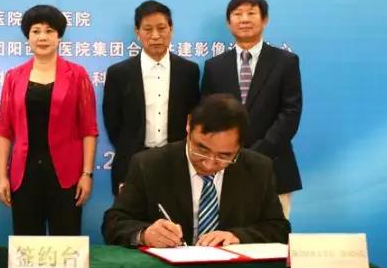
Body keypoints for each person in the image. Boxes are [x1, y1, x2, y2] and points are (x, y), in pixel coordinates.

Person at [102, 94, 289, 247]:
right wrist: (144, 234)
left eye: (224, 156)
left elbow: (279, 229)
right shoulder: (149, 165)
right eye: (201, 149)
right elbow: (113, 223)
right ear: (189, 125)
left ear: (240, 147)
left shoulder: (258, 168)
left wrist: (237, 236)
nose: (209, 164)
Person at [0, 4, 98, 236]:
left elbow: (89, 129)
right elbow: (4, 131)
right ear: (28, 37)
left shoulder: (77, 75)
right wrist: (2, 177)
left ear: (59, 36)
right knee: (27, 245)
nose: (42, 37)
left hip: (66, 175)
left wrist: (86, 174)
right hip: (24, 174)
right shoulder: (13, 77)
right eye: (36, 31)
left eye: (49, 31)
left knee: (66, 243)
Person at [201, 0, 302, 217]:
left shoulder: (285, 62)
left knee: (274, 233)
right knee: (228, 234)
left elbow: (290, 113)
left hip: (274, 166)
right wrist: (228, 153)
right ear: (229, 23)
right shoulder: (214, 66)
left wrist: (258, 153)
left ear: (265, 20)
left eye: (251, 13)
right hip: (224, 167)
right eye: (238, 14)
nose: (244, 19)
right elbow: (208, 116)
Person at [103, 0, 200, 196]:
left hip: (178, 161)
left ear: (171, 29)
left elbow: (194, 116)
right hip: (132, 162)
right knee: (132, 214)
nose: (155, 35)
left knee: (177, 214)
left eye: (161, 28)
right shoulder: (119, 73)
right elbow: (113, 121)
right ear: (137, 32)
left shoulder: (189, 71)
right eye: (148, 29)